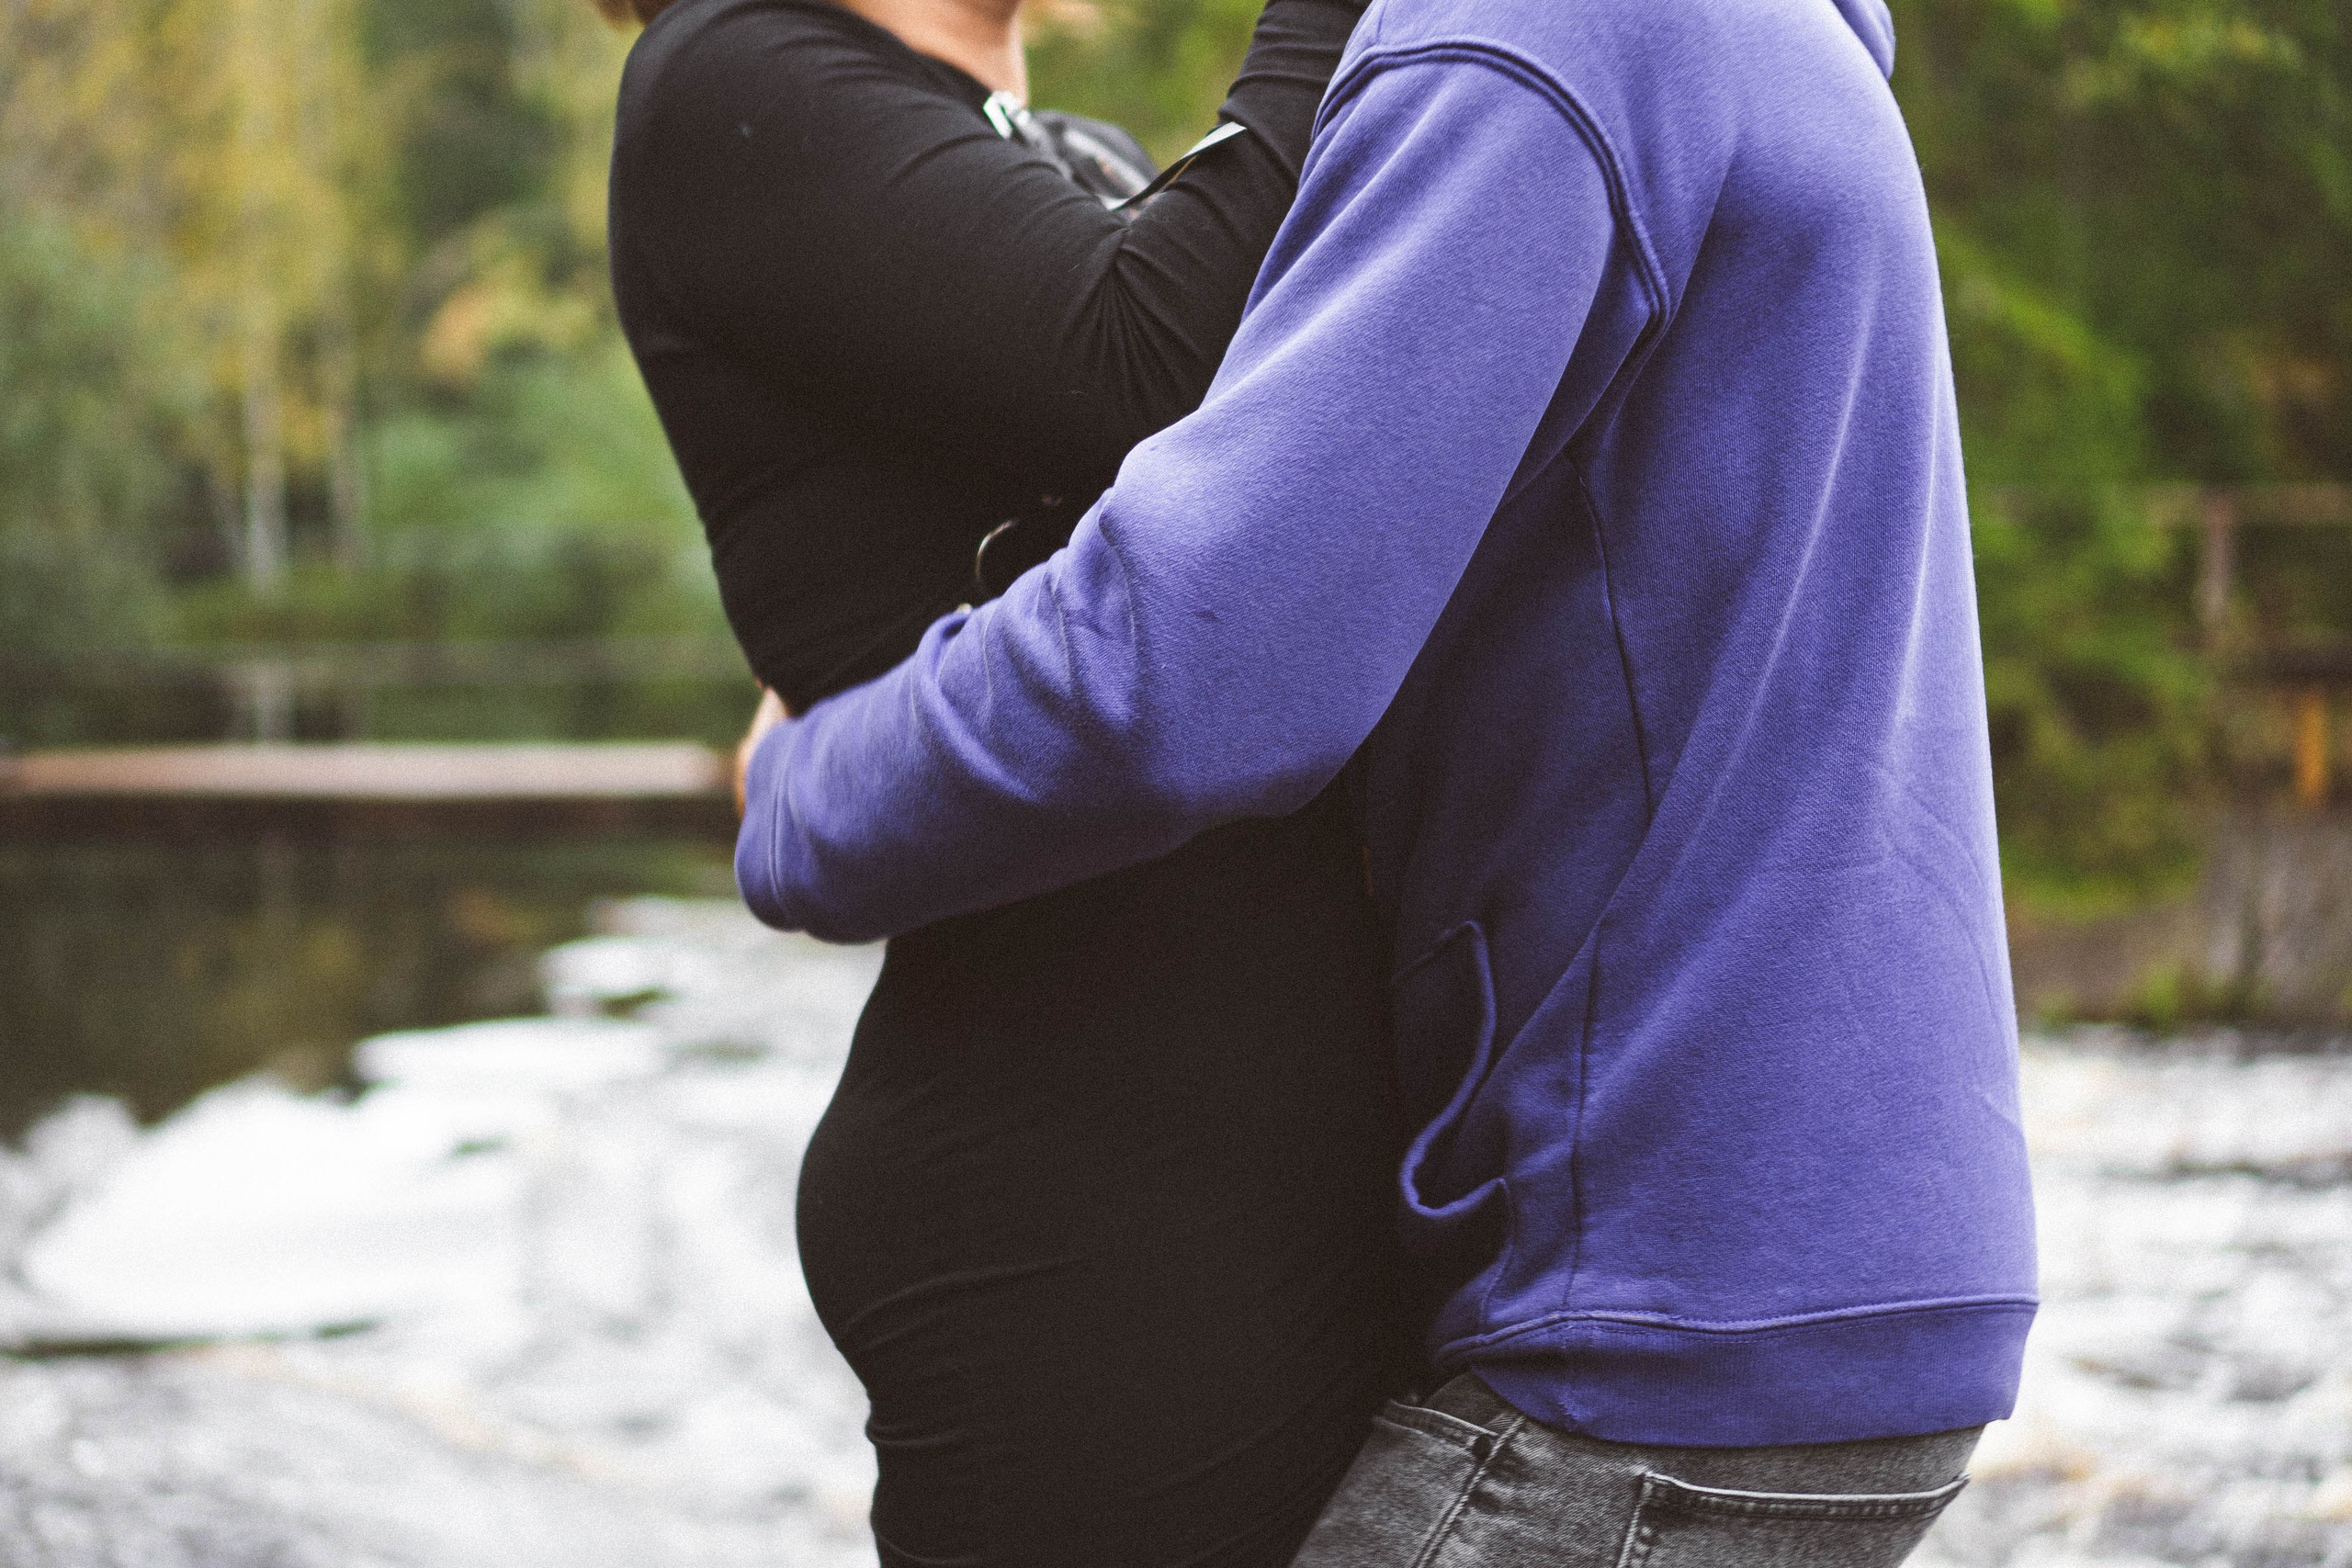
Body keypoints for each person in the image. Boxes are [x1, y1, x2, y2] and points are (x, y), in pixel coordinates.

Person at [731, 0, 2043, 1559]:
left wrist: (800, 788)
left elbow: (1192, 668)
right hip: (1835, 1251)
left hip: (1656, 1287)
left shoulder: (1522, 40)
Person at [600, 0, 1412, 1564]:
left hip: (1281, 1161)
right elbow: (1153, 363)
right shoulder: (734, 74)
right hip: (1086, 1196)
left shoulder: (1078, 162)